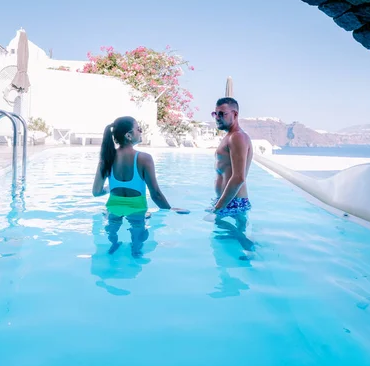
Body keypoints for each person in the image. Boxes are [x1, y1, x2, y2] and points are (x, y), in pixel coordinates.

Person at [92, 116, 188, 256]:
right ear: (129, 135)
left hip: (113, 207)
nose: (141, 131)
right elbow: (155, 194)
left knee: (111, 244)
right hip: (137, 208)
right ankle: (135, 253)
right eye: (139, 128)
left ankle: (114, 247)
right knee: (137, 245)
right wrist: (169, 209)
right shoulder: (144, 158)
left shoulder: (106, 158)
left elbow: (96, 192)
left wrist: (109, 188)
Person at [209, 97, 253, 218]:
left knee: (232, 237)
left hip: (233, 203)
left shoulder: (237, 137)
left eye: (222, 114)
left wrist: (217, 208)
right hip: (227, 202)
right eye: (215, 114)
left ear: (235, 114)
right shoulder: (230, 136)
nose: (217, 117)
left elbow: (239, 177)